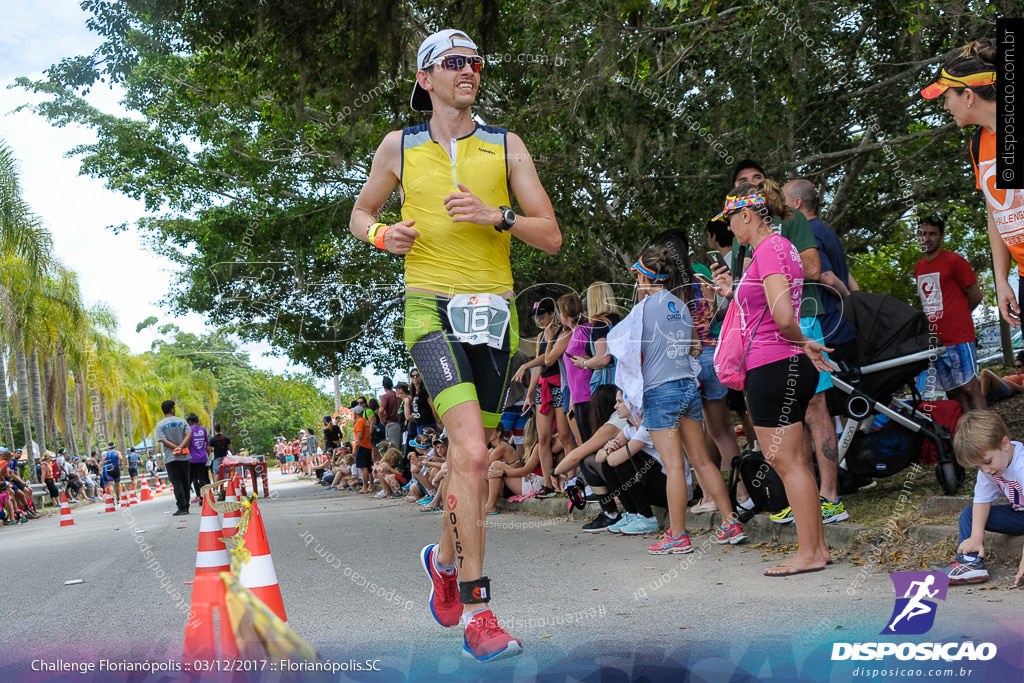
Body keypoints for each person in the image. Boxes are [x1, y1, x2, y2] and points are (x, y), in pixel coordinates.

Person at [348, 27, 561, 661]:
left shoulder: (506, 145)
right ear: (425, 78)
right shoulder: (400, 146)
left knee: (472, 462)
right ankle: (479, 611)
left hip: (496, 316)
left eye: (475, 62)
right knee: (470, 451)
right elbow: (359, 214)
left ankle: (442, 560)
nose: (469, 71)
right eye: (453, 63)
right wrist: (383, 236)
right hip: (430, 308)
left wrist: (496, 217)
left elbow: (549, 235)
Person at [711, 181, 833, 575]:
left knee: (787, 463)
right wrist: (734, 294)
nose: (729, 228)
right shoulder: (781, 249)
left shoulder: (768, 249)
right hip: (787, 363)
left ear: (746, 214)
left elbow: (782, 317)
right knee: (795, 461)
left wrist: (803, 340)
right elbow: (770, 309)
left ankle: (810, 552)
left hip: (773, 366)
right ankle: (817, 547)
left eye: (730, 220)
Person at [609, 245, 746, 554]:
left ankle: (678, 536)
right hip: (687, 387)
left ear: (645, 277)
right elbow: (693, 346)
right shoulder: (680, 306)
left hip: (660, 392)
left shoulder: (642, 310)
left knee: (673, 466)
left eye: (637, 276)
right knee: (701, 460)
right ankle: (730, 522)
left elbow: (621, 350)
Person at [769, 178, 857, 525]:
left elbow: (819, 272)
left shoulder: (797, 223)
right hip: (791, 323)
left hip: (812, 320)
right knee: (797, 412)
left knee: (817, 412)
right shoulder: (807, 227)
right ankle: (807, 494)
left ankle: (831, 497)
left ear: (794, 203)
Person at [921, 39, 1018, 328]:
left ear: (968, 96)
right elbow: (996, 213)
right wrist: (1002, 281)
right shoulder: (979, 144)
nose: (945, 105)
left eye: (947, 96)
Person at [913, 212, 986, 412]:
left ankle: (987, 437)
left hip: (959, 337)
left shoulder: (955, 261)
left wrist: (957, 316)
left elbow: (975, 296)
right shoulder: (918, 267)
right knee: (953, 392)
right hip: (936, 341)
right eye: (922, 233)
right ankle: (967, 437)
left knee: (970, 387)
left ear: (941, 236)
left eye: (932, 234)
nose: (926, 238)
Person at [944, 410, 1024, 587]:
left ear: (1004, 443)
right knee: (970, 514)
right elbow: (981, 500)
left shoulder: (1021, 466)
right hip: (1020, 515)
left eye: (987, 462)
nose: (985, 470)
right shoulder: (990, 467)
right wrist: (976, 537)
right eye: (978, 466)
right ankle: (970, 562)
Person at [514, 297, 570, 497]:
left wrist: (525, 365)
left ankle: (571, 480)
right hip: (543, 387)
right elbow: (540, 366)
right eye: (535, 316)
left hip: (560, 384)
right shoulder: (541, 336)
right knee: (543, 438)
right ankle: (547, 484)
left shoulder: (564, 331)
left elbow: (547, 359)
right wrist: (529, 394)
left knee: (564, 436)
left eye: (542, 315)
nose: (538, 319)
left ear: (552, 313)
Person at [155, 400, 193, 516]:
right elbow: (189, 434)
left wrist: (176, 448)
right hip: (184, 457)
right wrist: (181, 447)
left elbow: (163, 440)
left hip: (171, 458)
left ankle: (181, 507)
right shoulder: (182, 422)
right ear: (172, 409)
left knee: (177, 482)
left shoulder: (160, 425)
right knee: (185, 482)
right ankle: (186, 506)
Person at [187, 414, 211, 502]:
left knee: (192, 478)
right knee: (202, 479)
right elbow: (207, 444)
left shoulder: (189, 430)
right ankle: (202, 498)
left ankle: (193, 496)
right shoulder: (203, 429)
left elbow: (188, 443)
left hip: (192, 458)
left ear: (189, 422)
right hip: (202, 457)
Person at [351, 405, 373, 494]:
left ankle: (365, 487)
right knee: (369, 467)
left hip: (362, 446)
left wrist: (355, 447)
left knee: (364, 467)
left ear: (356, 413)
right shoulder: (365, 421)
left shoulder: (359, 422)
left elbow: (359, 435)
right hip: (368, 445)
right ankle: (370, 485)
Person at [379, 378, 402, 446]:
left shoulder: (386, 396)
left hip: (391, 424)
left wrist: (382, 421)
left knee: (392, 448)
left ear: (384, 387)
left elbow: (381, 410)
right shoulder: (398, 396)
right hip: (400, 424)